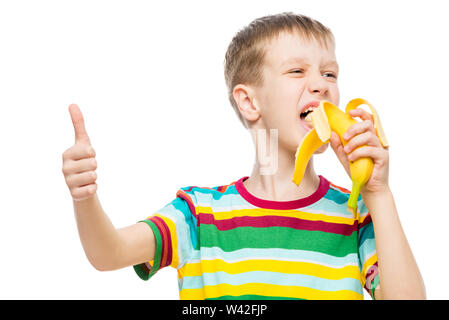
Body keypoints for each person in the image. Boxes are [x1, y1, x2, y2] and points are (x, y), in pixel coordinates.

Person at [62, 12, 426, 300]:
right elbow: (108, 253)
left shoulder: (355, 213)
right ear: (249, 101)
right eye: (297, 71)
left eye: (329, 73)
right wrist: (85, 196)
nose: (321, 84)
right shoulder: (198, 215)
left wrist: (378, 193)